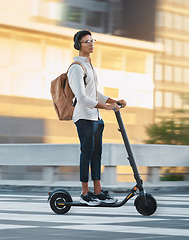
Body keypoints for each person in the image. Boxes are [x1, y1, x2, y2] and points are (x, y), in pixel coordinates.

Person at [67, 30, 127, 206]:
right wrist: (107, 107)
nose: (91, 43)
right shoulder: (76, 68)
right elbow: (82, 97)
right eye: (87, 41)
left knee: (97, 155)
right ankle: (85, 193)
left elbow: (95, 93)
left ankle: (98, 191)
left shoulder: (89, 66)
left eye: (92, 40)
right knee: (86, 153)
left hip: (95, 118)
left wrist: (114, 101)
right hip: (84, 117)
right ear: (78, 45)